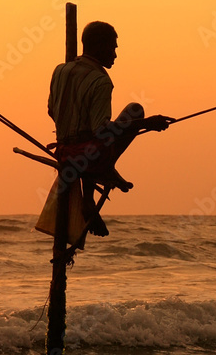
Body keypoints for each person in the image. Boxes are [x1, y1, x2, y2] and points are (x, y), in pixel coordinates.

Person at [48, 21, 173, 236]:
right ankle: (104, 174)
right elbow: (102, 130)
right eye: (112, 47)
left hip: (64, 153)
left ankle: (88, 198)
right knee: (135, 110)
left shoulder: (60, 70)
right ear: (98, 46)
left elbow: (52, 110)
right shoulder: (100, 80)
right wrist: (146, 124)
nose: (115, 54)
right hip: (90, 159)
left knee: (86, 137)